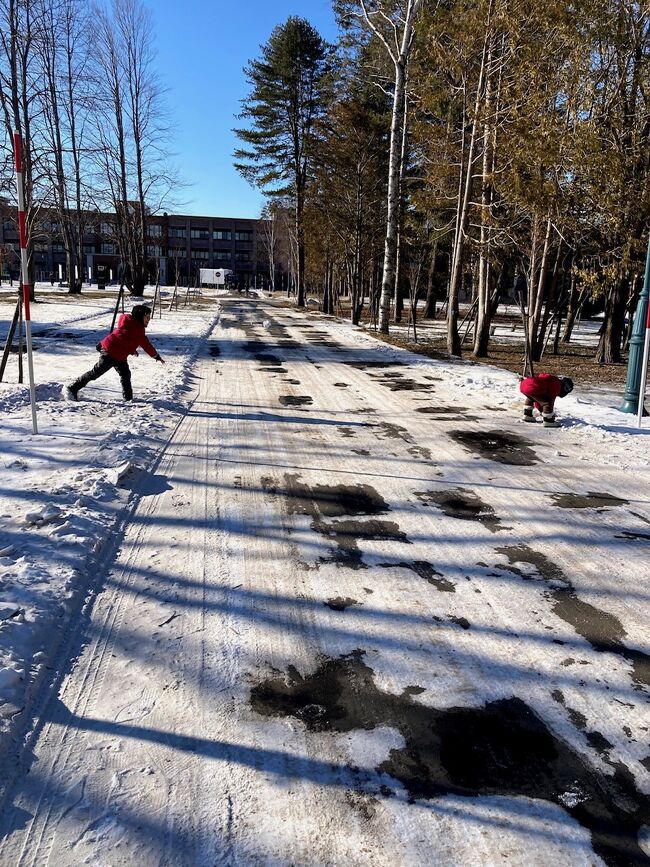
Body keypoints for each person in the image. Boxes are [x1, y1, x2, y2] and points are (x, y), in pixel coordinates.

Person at [66, 304, 164, 402]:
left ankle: (129, 399)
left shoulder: (131, 325)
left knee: (125, 374)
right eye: (147, 317)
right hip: (110, 353)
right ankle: (72, 388)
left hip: (118, 354)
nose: (149, 320)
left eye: (149, 318)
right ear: (139, 317)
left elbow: (124, 339)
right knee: (95, 373)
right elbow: (146, 345)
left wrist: (131, 350)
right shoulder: (137, 329)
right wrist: (156, 356)